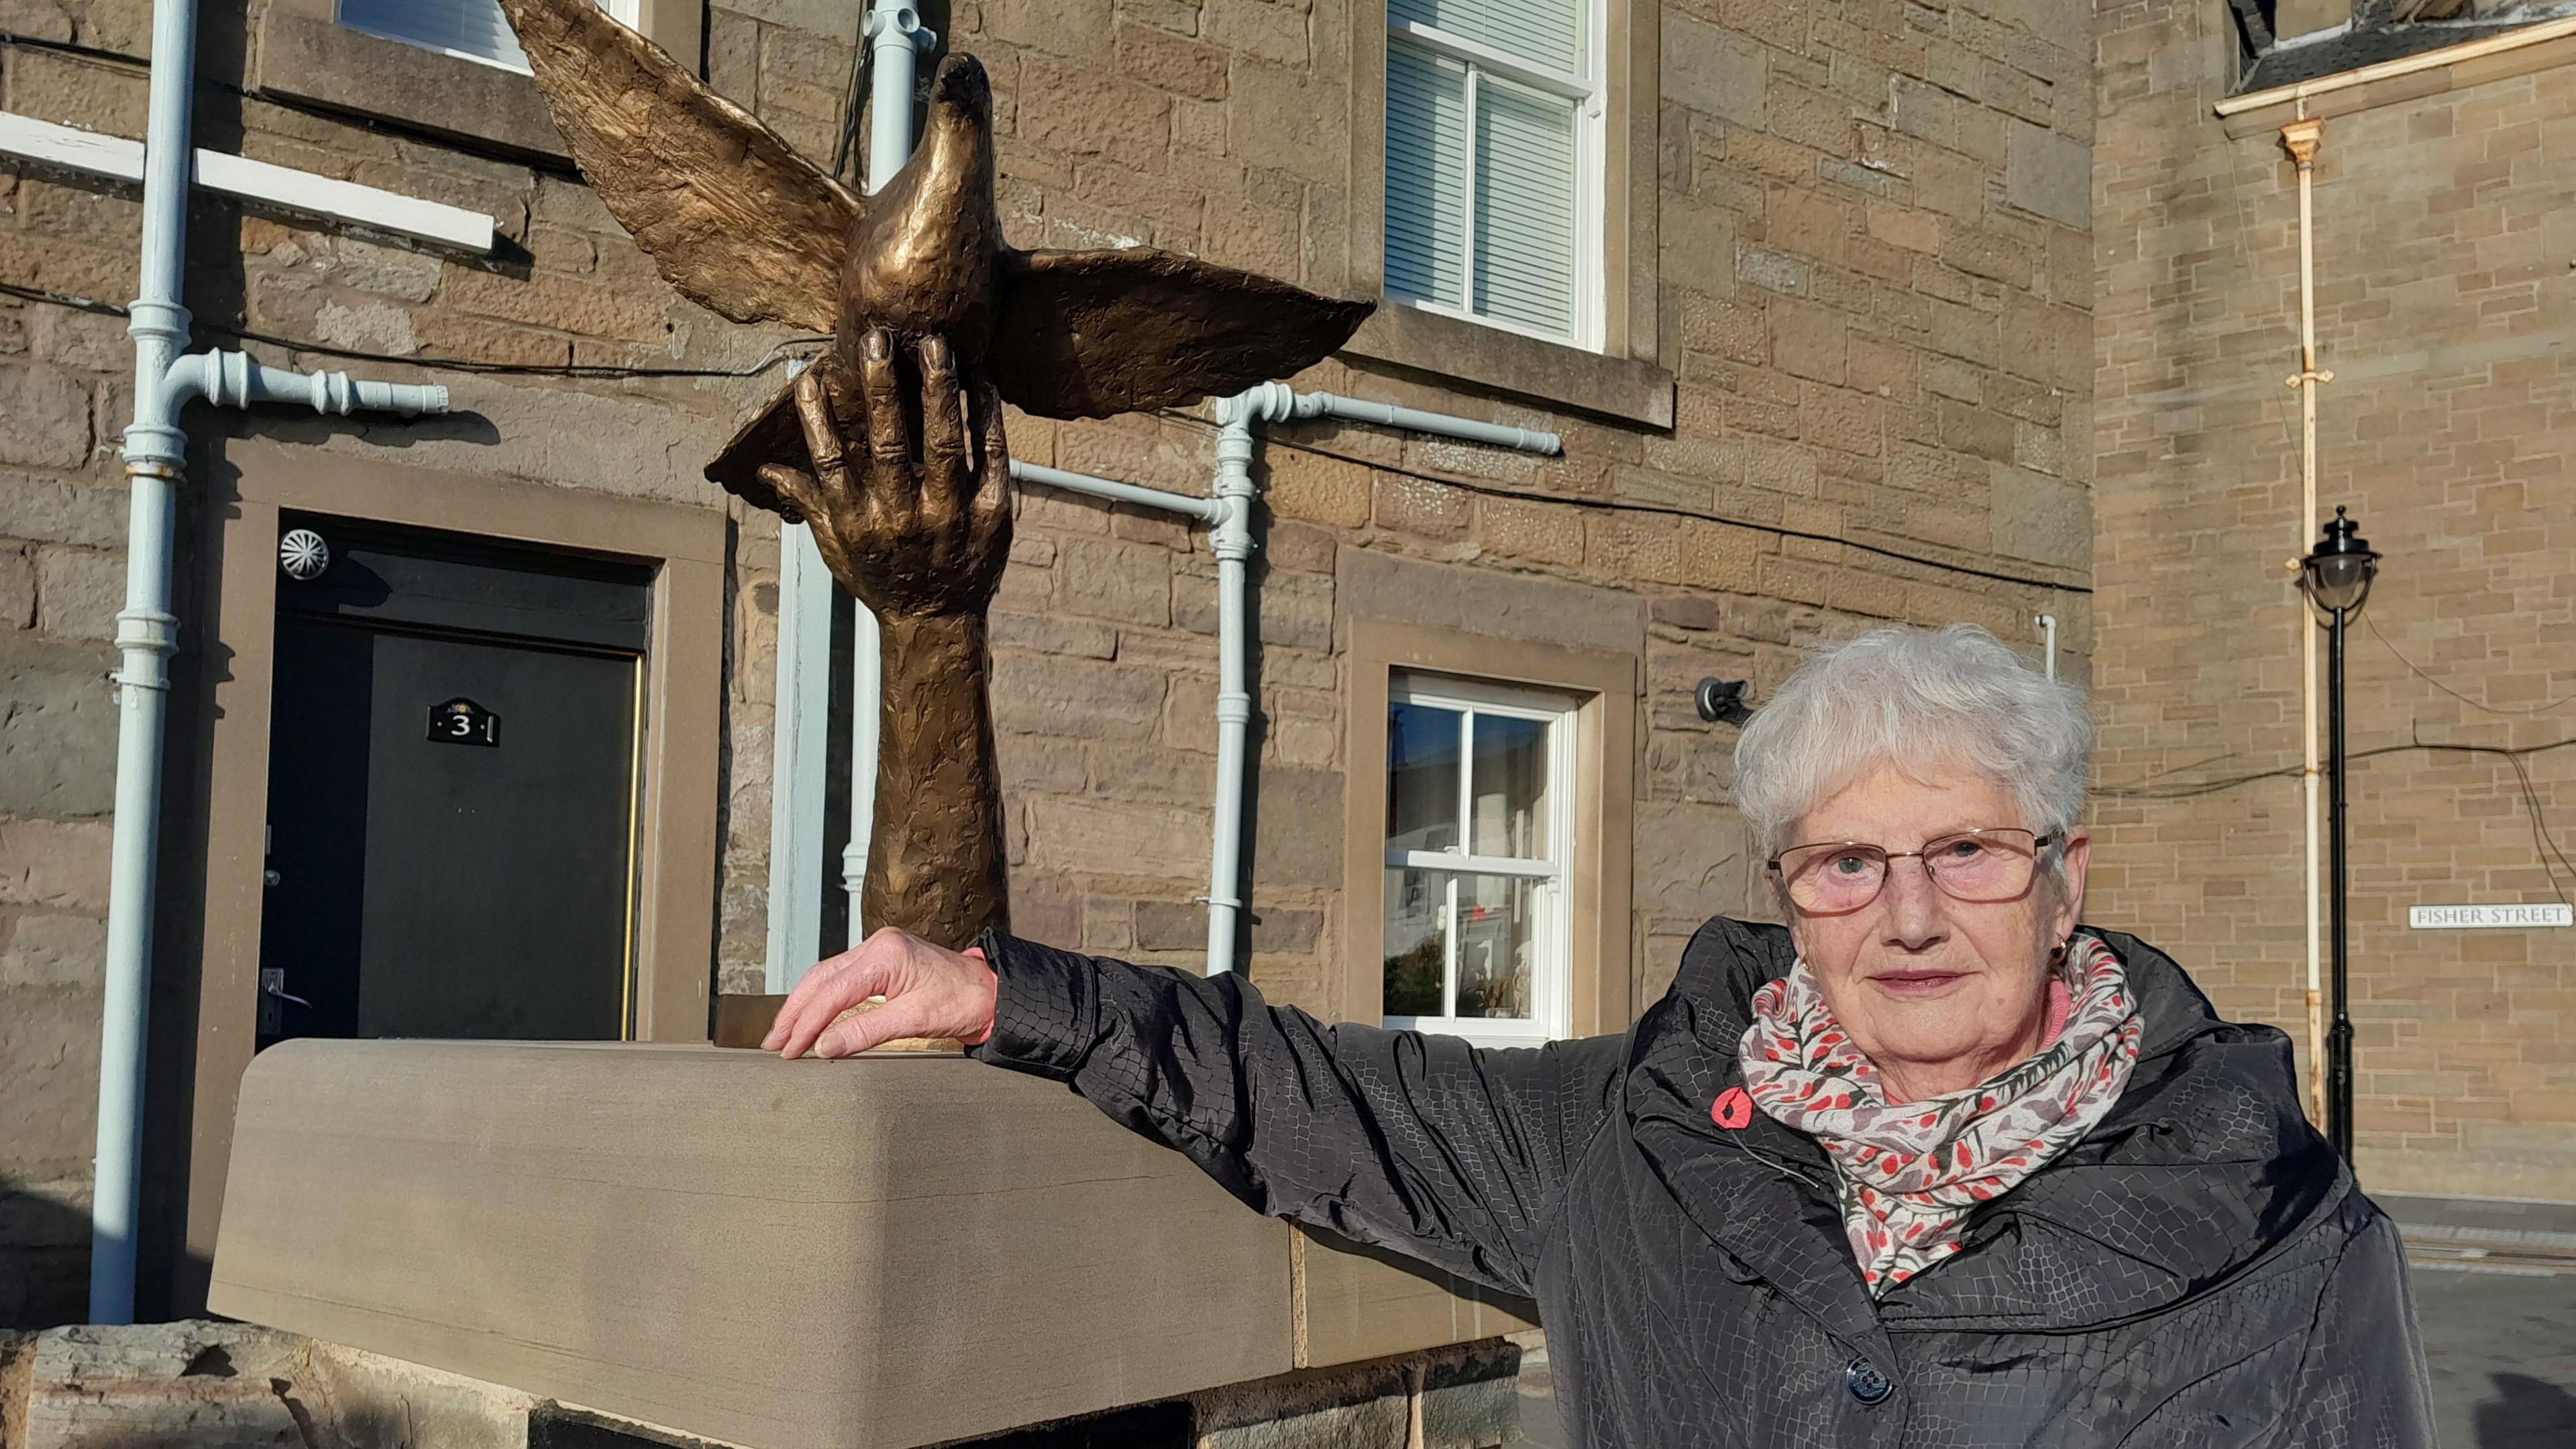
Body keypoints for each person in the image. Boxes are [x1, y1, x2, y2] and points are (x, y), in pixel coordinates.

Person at [767, 623, 2433, 1448]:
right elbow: (1327, 1092)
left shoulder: (2284, 1230)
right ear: (1791, 892)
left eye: (1968, 853)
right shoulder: (1645, 1135)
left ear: (2066, 877)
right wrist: (1012, 992)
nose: (1909, 915)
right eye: (1848, 861)